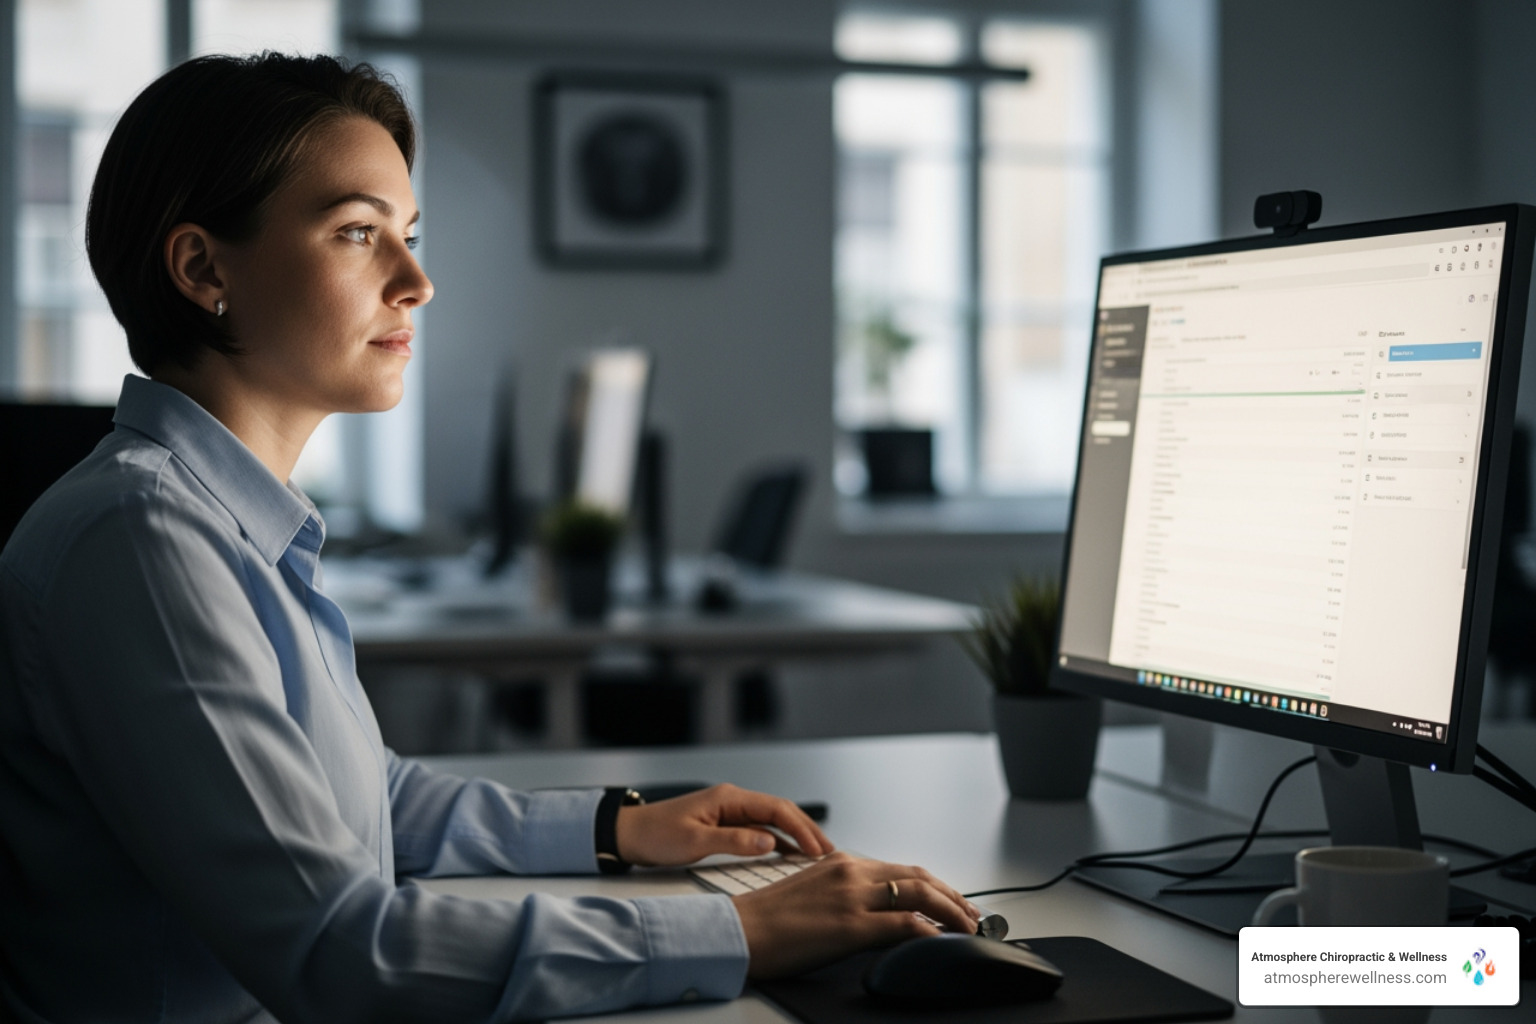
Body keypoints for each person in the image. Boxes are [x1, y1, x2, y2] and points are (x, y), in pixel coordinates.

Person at [0, 53, 981, 1024]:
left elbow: (359, 799)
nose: (416, 280)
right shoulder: (142, 540)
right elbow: (341, 951)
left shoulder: (217, 520)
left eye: (410, 234)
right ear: (204, 268)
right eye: (358, 233)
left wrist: (618, 826)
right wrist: (742, 933)